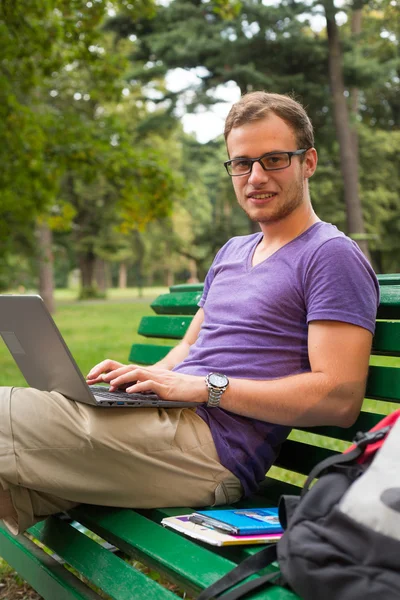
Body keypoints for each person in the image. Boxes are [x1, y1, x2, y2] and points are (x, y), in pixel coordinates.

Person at [0, 91, 379, 535]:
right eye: (242, 163)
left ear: (308, 161)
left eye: (274, 159)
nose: (255, 176)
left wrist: (206, 388)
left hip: (209, 452)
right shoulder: (233, 251)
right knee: (10, 492)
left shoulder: (331, 255)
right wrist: (140, 378)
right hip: (158, 425)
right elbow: (188, 347)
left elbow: (340, 397)